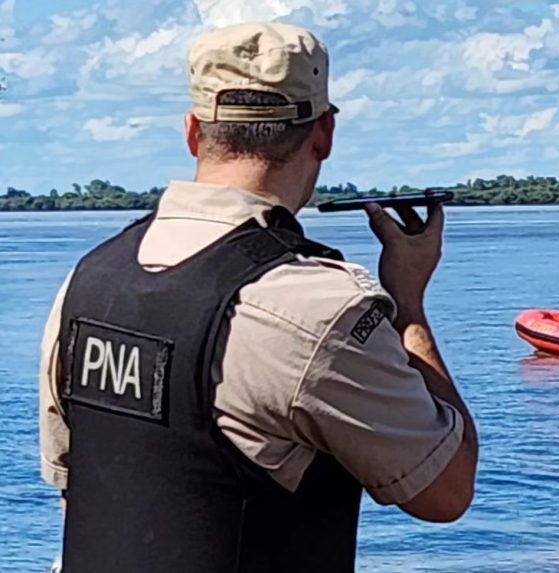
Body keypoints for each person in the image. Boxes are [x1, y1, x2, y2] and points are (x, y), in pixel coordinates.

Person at [38, 22, 478, 573]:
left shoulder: (89, 280)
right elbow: (446, 490)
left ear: (194, 131)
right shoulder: (315, 307)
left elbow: (72, 484)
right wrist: (408, 305)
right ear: (324, 136)